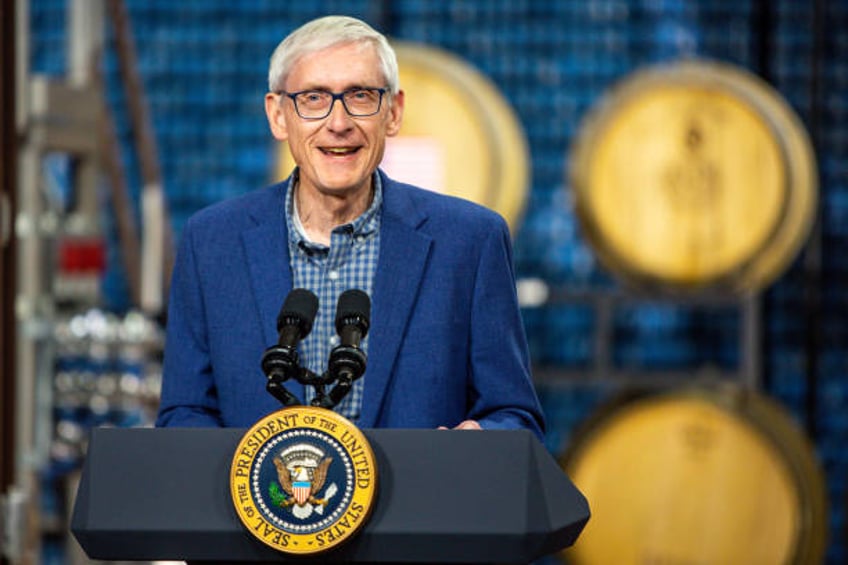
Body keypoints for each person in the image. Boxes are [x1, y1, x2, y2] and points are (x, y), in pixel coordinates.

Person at [155, 15, 544, 439]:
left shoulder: (470, 241)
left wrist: (480, 437)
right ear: (278, 115)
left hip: (420, 502)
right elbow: (184, 414)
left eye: (360, 97)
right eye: (314, 98)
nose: (338, 122)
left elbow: (515, 416)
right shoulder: (211, 243)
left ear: (393, 113)